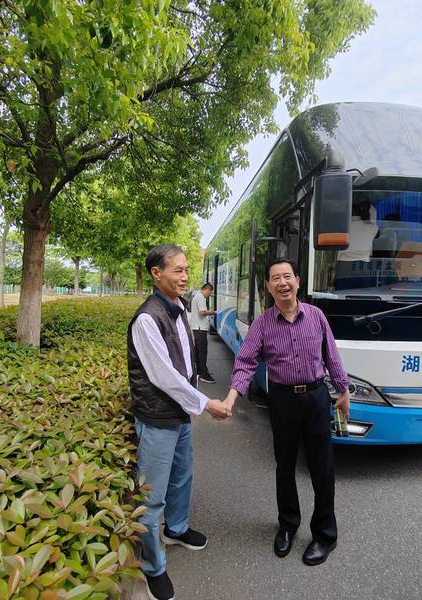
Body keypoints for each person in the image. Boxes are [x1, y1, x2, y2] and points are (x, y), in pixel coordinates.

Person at [224, 258, 350, 567]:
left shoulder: (316, 316)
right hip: (282, 401)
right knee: (285, 466)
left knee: (322, 469)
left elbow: (331, 355)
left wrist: (343, 390)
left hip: (316, 398)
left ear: (297, 281)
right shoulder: (262, 324)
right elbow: (245, 362)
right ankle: (288, 525)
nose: (282, 283)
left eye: (287, 276)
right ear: (268, 287)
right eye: (275, 278)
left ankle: (325, 535)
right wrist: (231, 398)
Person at [128, 244, 232, 600]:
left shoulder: (178, 307)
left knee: (182, 477)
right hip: (158, 417)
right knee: (152, 495)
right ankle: (152, 566)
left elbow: (186, 365)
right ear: (156, 273)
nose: (186, 276)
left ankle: (176, 529)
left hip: (179, 414)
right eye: (178, 270)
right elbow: (163, 376)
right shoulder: (147, 318)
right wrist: (205, 404)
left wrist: (194, 401)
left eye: (187, 269)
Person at [188, 282, 217, 383]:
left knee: (198, 352)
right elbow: (202, 312)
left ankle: (199, 372)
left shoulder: (196, 296)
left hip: (197, 329)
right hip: (200, 329)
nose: (209, 295)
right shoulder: (201, 297)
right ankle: (204, 374)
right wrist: (212, 312)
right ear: (207, 289)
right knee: (202, 352)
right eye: (210, 292)